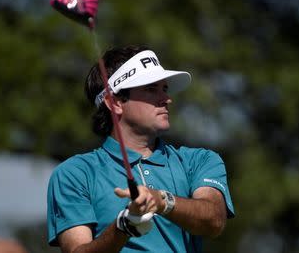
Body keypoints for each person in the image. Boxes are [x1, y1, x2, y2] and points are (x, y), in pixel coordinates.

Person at [47, 45, 235, 253]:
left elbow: (214, 221)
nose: (167, 99)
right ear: (115, 102)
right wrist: (124, 226)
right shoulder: (75, 173)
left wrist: (163, 201)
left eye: (164, 88)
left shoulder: (199, 160)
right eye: (151, 89)